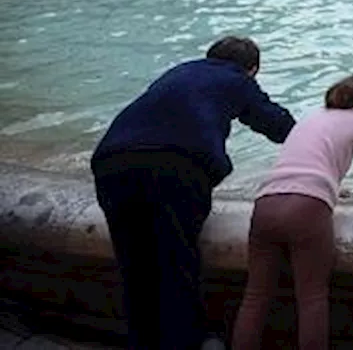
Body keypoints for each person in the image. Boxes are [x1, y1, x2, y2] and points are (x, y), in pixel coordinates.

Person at [91, 37, 296, 350]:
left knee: (135, 268)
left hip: (111, 163)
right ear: (252, 70)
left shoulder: (180, 71)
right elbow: (275, 124)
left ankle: (141, 343)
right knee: (177, 262)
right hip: (176, 167)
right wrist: (316, 138)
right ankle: (186, 342)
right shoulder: (238, 80)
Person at [231, 75, 353, 350]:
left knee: (255, 296)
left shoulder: (312, 117)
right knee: (312, 298)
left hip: (266, 202)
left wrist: (335, 188)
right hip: (308, 208)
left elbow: (306, 161)